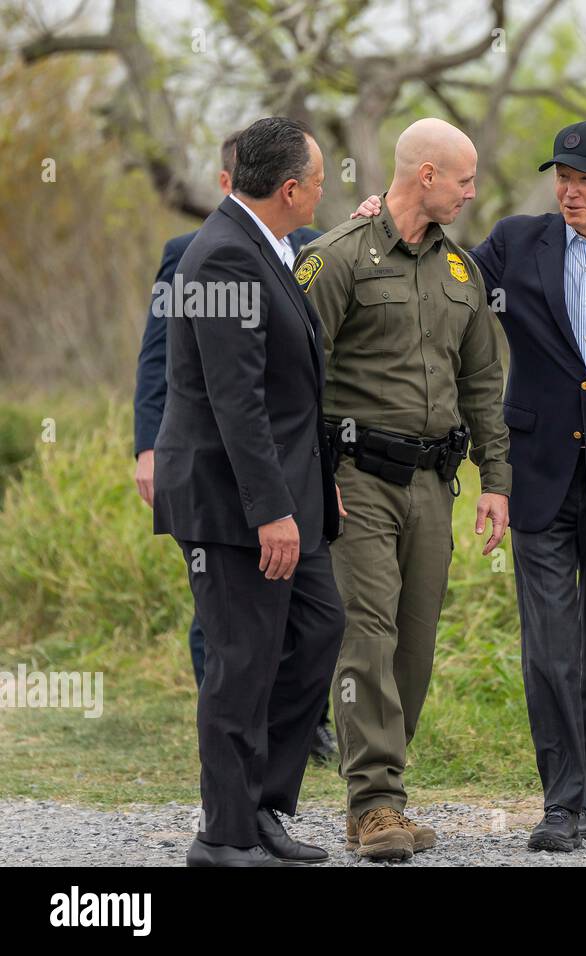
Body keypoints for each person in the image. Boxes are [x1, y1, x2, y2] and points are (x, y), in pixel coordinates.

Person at [352, 118, 586, 851]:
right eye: (561, 177)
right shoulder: (516, 243)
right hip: (535, 475)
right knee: (550, 646)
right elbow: (436, 271)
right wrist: (383, 221)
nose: (567, 190)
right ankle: (559, 801)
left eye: (582, 178)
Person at [296, 119, 510, 861]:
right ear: (425, 175)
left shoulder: (461, 273)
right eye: (464, 178)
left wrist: (495, 482)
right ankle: (377, 803)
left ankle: (376, 797)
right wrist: (314, 478)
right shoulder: (337, 258)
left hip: (433, 483)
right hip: (355, 481)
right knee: (367, 637)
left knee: (413, 646)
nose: (472, 191)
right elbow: (299, 378)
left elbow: (483, 381)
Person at [152, 116, 345, 866]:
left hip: (289, 494)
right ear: (291, 188)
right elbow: (238, 403)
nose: (325, 190)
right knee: (242, 660)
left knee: (317, 631)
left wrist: (318, 491)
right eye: (321, 180)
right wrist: (272, 510)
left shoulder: (276, 249)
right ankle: (223, 834)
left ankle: (265, 805)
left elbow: (294, 397)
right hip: (232, 505)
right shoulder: (223, 260)